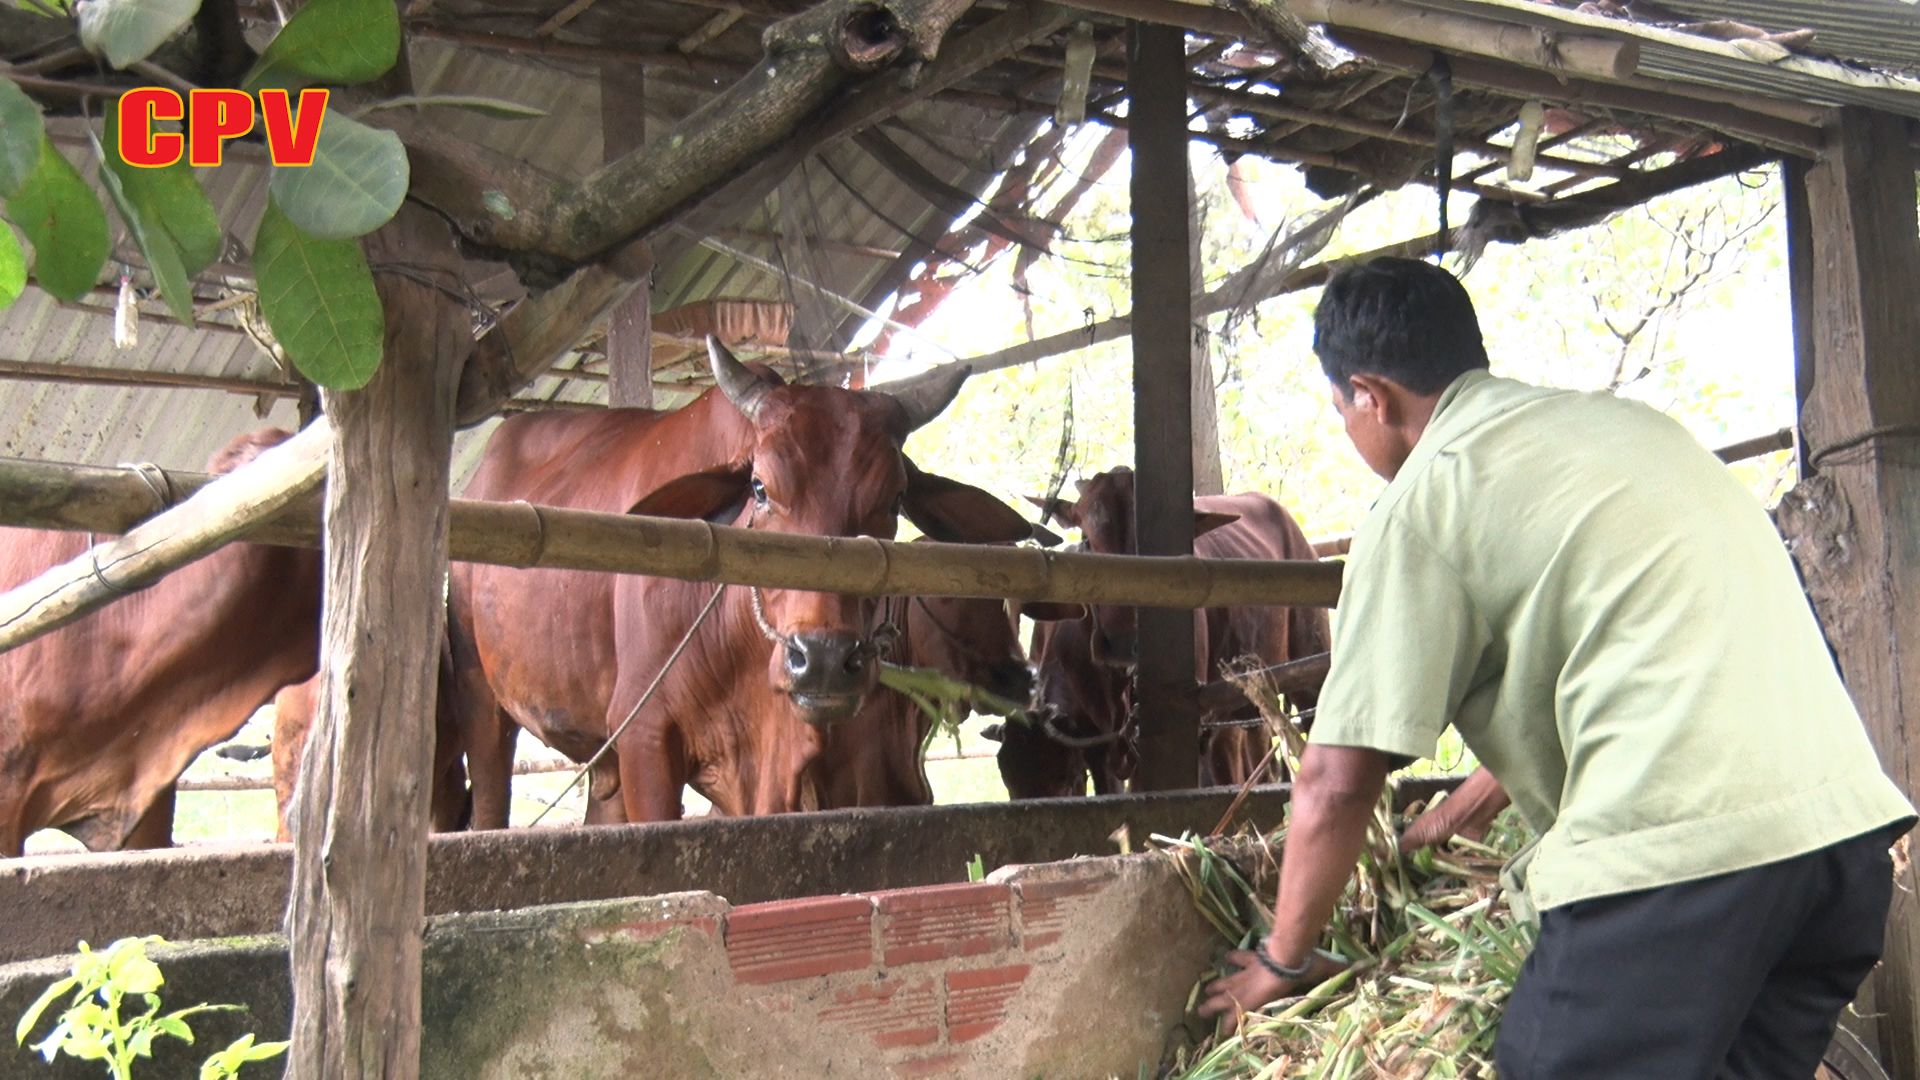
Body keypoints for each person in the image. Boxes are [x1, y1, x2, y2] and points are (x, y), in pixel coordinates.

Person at [1196, 256, 1915, 1078]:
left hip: (1681, 865)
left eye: (1341, 410)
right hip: (1838, 850)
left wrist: (1285, 960)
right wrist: (1455, 812)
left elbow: (1334, 779)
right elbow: (1629, 661)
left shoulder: (1427, 496)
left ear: (1371, 395)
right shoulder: (1627, 429)